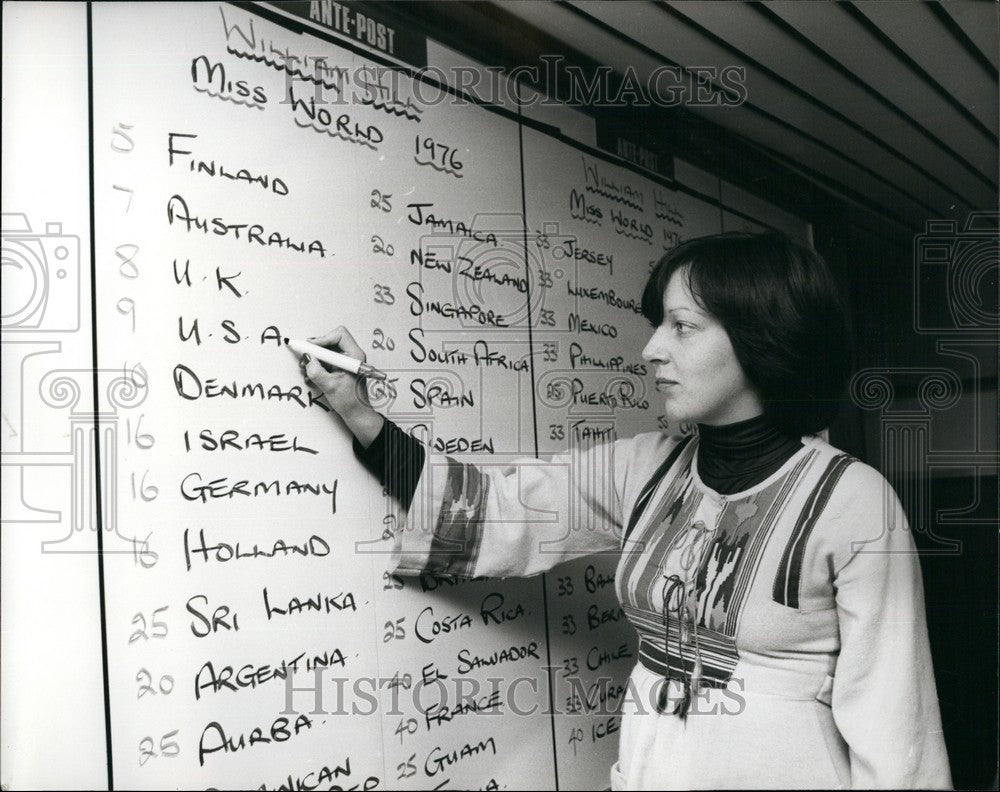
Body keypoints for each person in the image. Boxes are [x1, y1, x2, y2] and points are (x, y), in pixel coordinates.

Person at [300, 232, 952, 789]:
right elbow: (492, 511)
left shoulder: (853, 501)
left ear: (763, 337)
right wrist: (358, 411)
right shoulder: (643, 468)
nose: (652, 349)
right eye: (658, 325)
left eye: (682, 327)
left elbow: (897, 729)